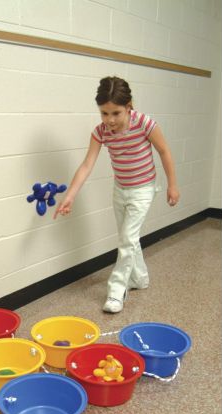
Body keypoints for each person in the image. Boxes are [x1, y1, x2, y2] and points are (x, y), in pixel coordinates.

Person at [54, 76, 180, 313]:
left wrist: (173, 185)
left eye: (116, 113)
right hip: (120, 189)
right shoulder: (100, 132)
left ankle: (116, 291)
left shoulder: (144, 123)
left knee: (127, 240)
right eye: (104, 113)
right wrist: (70, 195)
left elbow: (164, 151)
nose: (109, 120)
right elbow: (86, 165)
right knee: (128, 238)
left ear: (129, 106)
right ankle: (140, 278)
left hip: (143, 189)